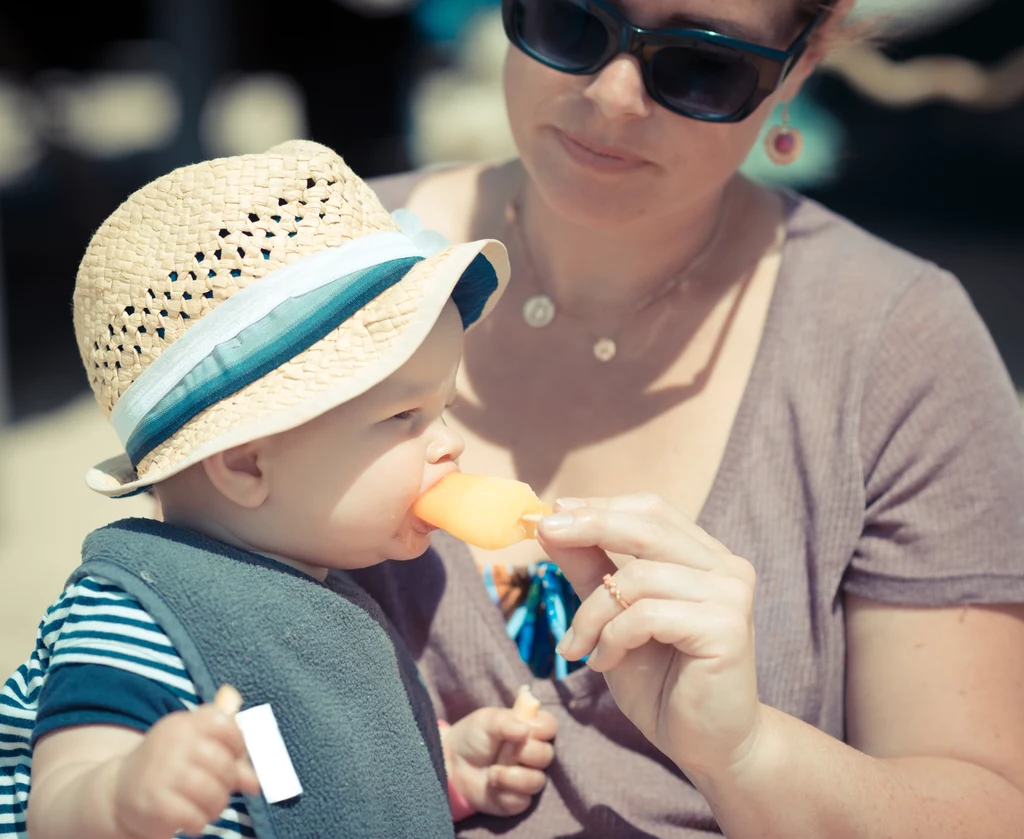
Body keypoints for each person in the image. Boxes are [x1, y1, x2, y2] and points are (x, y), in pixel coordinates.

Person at [352, 0, 1024, 835]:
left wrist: (744, 753)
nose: (614, 95)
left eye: (698, 66)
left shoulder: (895, 344)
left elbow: (986, 807)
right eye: (570, 22)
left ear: (798, 69)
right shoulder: (321, 262)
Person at [0, 139, 557, 839]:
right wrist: (123, 793)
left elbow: (312, 776)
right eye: (403, 417)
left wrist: (443, 770)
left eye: (442, 409)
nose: (449, 443)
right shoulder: (139, 615)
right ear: (246, 465)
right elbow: (57, 799)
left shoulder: (327, 595)